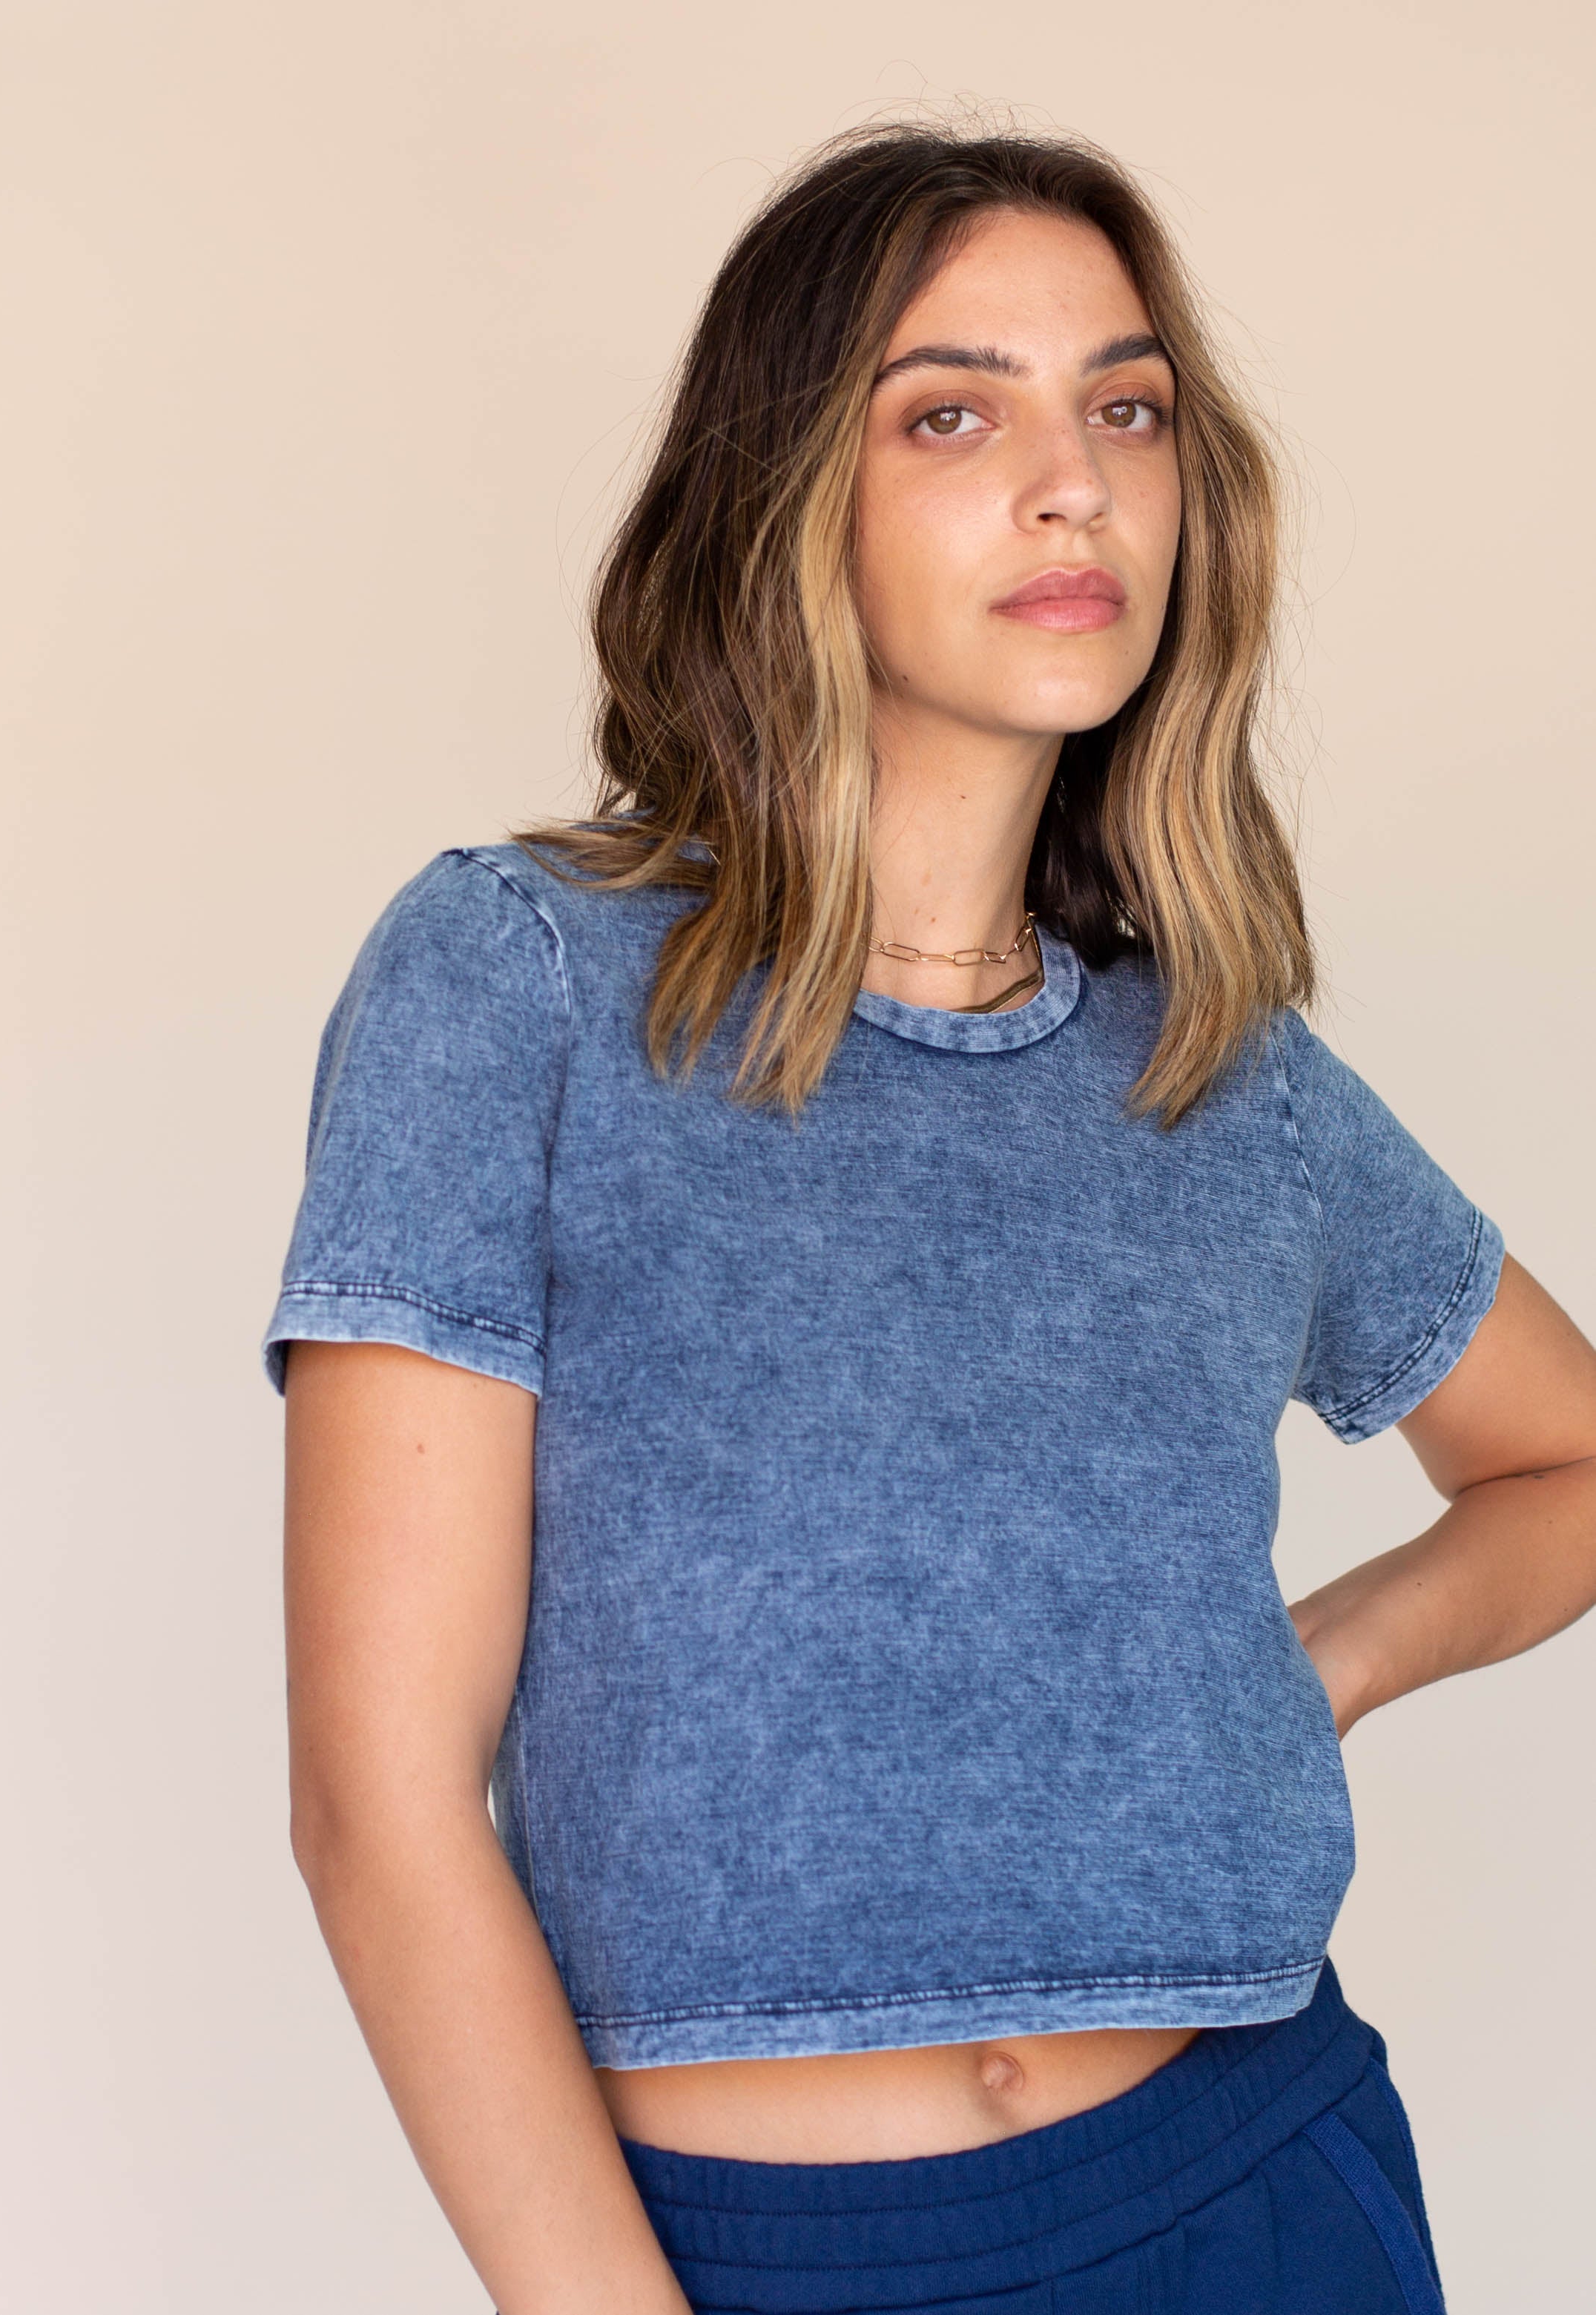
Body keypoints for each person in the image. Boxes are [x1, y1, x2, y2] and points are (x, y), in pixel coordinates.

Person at [266, 125, 1596, 2314]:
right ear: (790, 493)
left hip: (1258, 2181)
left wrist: (1320, 1669)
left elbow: (1570, 1452)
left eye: (1130, 407)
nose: (1076, 483)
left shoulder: (1214, 1069)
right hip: (757, 2251)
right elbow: (378, 1802)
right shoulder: (520, 984)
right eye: (955, 410)